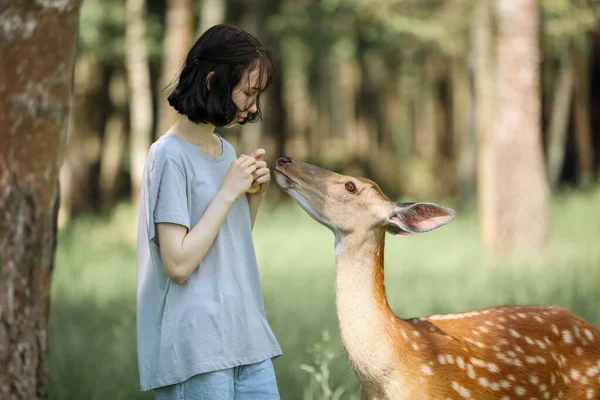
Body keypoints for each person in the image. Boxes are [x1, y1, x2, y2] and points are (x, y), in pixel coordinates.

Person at [135, 24, 282, 399]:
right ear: (213, 80)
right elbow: (179, 264)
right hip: (197, 350)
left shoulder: (226, 152)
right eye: (247, 92)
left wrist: (252, 196)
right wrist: (227, 193)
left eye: (256, 94)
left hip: (245, 341)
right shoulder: (168, 156)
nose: (252, 106)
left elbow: (228, 250)